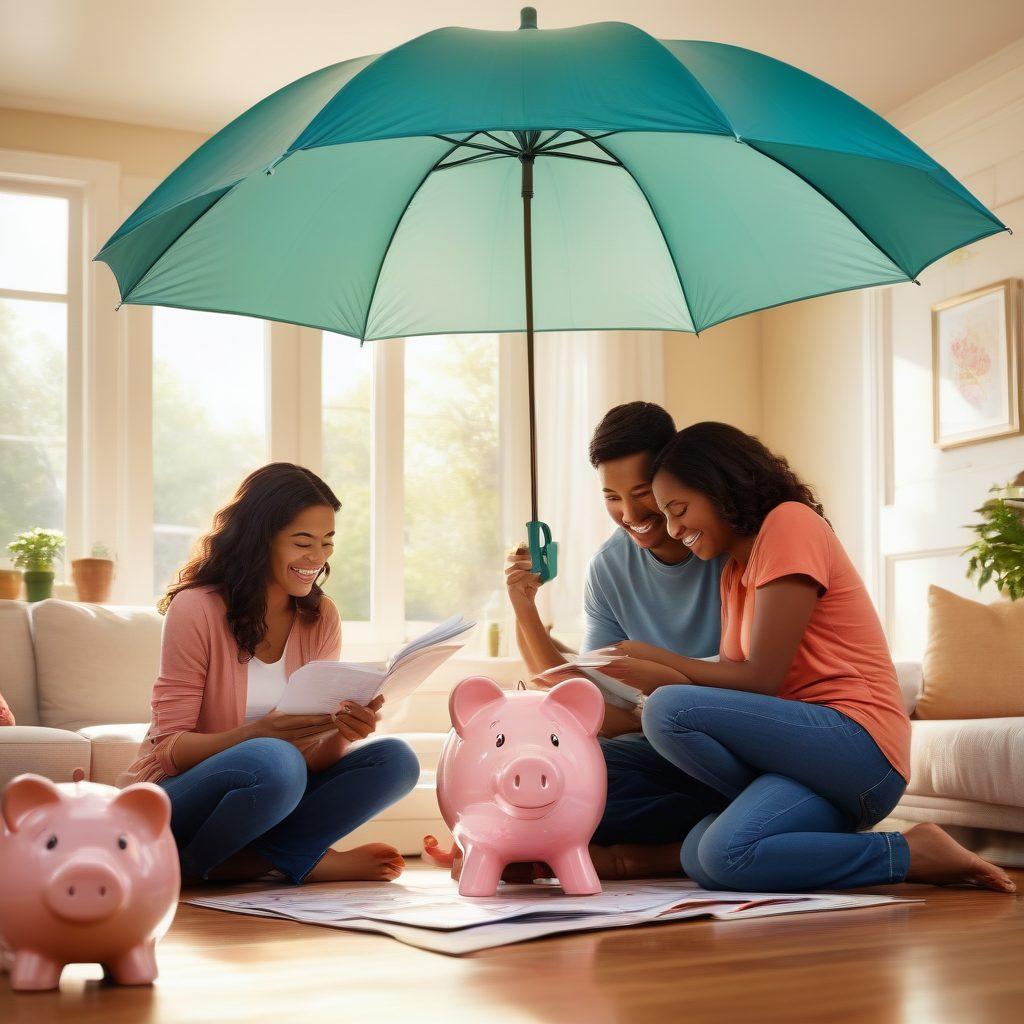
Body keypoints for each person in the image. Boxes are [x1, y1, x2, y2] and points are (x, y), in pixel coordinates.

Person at [602, 421, 1015, 893]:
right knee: (710, 855)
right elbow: (739, 681)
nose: (674, 529)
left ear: (720, 489)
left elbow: (762, 678)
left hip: (860, 745)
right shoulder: (734, 574)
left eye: (678, 510)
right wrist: (654, 674)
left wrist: (661, 665)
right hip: (812, 763)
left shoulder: (789, 523)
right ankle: (909, 852)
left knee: (667, 710)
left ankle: (910, 849)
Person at [124, 463, 420, 886]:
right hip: (179, 796)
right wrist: (256, 734)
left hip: (275, 791)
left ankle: (260, 859)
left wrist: (343, 732)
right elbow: (169, 750)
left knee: (396, 760)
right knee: (275, 759)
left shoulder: (321, 617)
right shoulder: (197, 608)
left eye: (327, 542)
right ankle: (215, 863)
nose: (317, 558)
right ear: (260, 538)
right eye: (302, 542)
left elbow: (313, 758)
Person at [506, 402, 727, 879]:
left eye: (643, 493)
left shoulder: (726, 548)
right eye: (612, 497)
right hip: (654, 753)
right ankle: (704, 838)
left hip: (730, 747)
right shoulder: (610, 565)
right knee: (547, 767)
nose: (629, 514)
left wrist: (643, 711)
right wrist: (524, 605)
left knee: (572, 800)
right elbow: (583, 697)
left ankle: (670, 848)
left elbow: (756, 681)